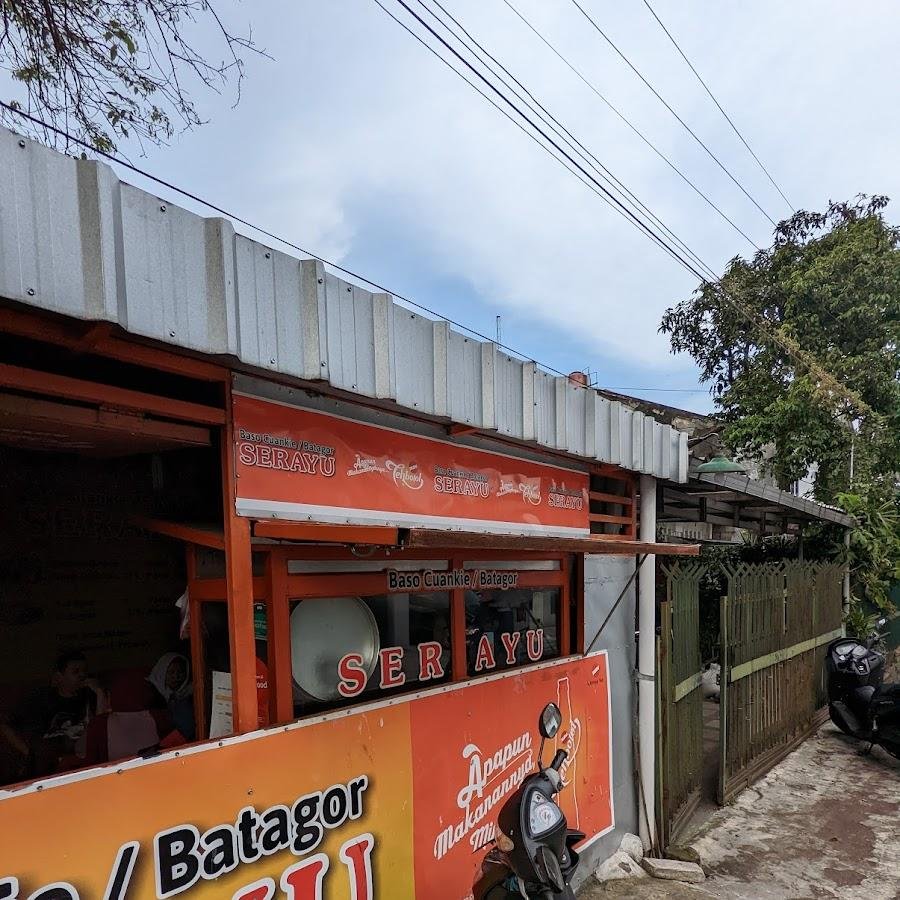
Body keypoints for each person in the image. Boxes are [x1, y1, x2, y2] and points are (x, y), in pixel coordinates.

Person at [0, 650, 107, 778]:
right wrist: (30, 754)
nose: (82, 676)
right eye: (75, 672)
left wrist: (99, 693)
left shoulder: (90, 696)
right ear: (59, 676)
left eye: (84, 671)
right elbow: (6, 725)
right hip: (49, 764)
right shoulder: (42, 699)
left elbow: (102, 725)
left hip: (82, 761)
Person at [146, 653, 195, 741]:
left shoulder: (190, 693)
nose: (176, 677)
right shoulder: (151, 694)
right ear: (162, 672)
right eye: (171, 672)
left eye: (180, 672)